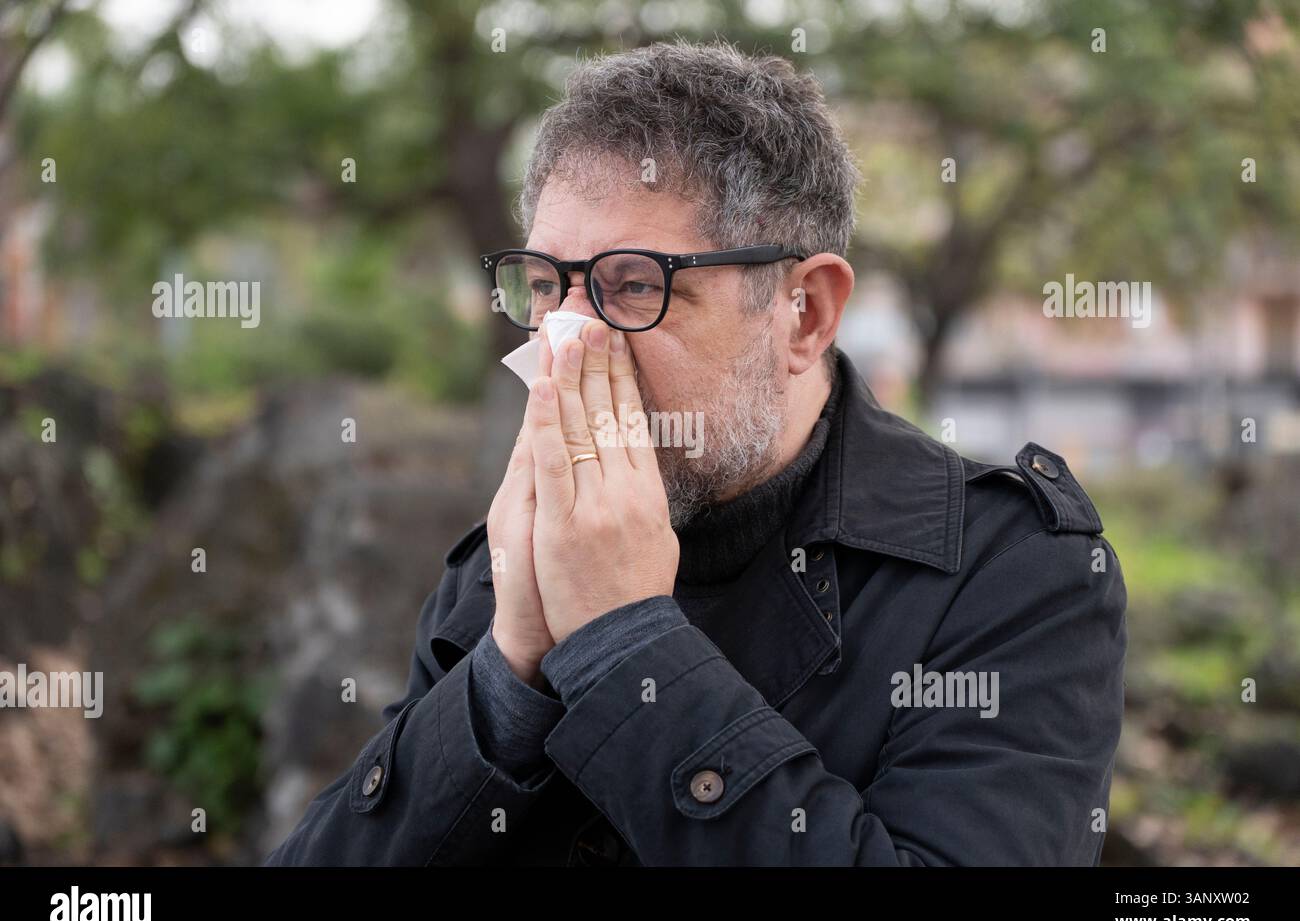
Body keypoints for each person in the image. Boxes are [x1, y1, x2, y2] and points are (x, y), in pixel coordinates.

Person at [265, 39, 1127, 866]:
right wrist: (503, 681)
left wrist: (624, 644)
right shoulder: (504, 565)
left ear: (806, 312)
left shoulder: (1010, 570)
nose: (566, 346)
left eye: (634, 285)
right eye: (543, 288)